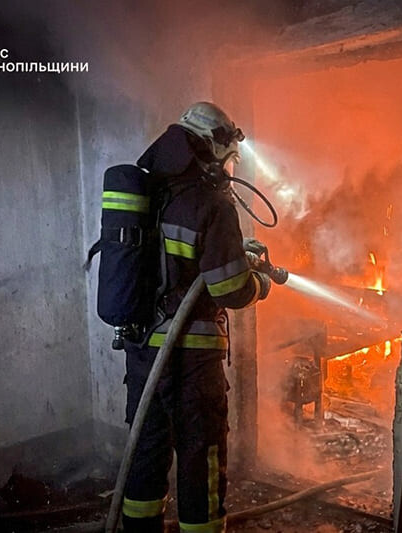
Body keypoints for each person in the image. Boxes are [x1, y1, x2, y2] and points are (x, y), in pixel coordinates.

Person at [121, 102, 271, 533]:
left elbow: (178, 265)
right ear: (213, 149)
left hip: (143, 353)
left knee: (145, 454)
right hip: (192, 358)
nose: (229, 167)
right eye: (229, 157)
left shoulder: (150, 193)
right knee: (199, 457)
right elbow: (229, 289)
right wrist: (258, 283)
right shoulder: (212, 203)